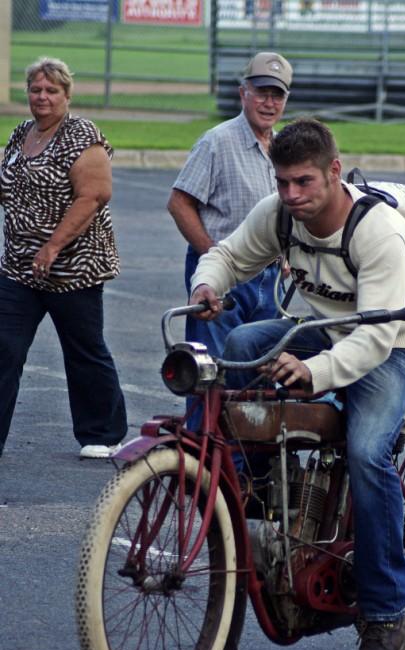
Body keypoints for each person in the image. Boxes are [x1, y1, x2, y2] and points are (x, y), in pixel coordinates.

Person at [189, 118, 405, 650]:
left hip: (396, 349)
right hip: (324, 333)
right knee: (243, 341)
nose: (292, 196)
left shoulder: (379, 232)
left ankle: (388, 607)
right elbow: (227, 256)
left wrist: (314, 371)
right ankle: (259, 486)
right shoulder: (279, 216)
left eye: (304, 182)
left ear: (332, 171)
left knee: (367, 453)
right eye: (282, 183)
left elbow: (373, 337)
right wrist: (207, 285)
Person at [0, 57, 128, 460]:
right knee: (4, 347)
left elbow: (95, 194)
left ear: (67, 95)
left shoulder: (80, 135)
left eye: (51, 90)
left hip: (72, 268)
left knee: (84, 348)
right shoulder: (22, 133)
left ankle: (103, 433)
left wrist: (53, 245)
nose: (42, 97)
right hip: (19, 267)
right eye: (36, 89)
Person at [167, 51, 293, 418]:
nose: (269, 102)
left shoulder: (285, 148)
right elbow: (179, 203)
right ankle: (202, 468)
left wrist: (289, 255)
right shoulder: (217, 141)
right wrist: (213, 255)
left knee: (261, 377)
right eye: (262, 92)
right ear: (243, 94)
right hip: (223, 280)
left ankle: (249, 471)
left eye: (278, 95)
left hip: (270, 281)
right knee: (212, 376)